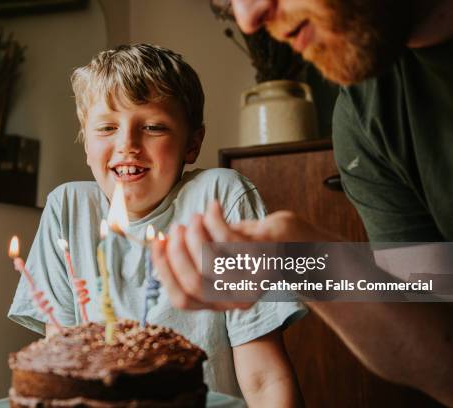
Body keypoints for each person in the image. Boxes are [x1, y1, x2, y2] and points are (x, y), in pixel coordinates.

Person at [152, 0, 453, 405]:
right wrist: (298, 253)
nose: (249, 17)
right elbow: (439, 351)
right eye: (227, 5)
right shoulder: (366, 116)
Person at [7, 43, 307, 406]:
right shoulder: (67, 209)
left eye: (152, 127)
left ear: (192, 143)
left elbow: (264, 378)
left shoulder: (220, 201)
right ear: (85, 142)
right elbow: (64, 374)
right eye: (106, 127)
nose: (127, 145)